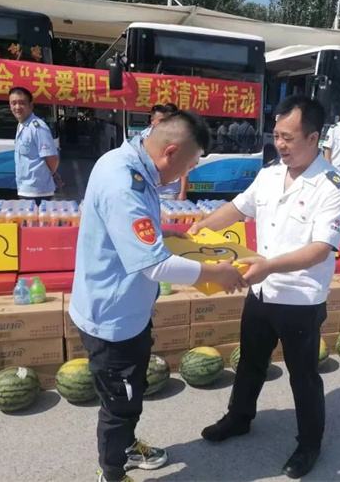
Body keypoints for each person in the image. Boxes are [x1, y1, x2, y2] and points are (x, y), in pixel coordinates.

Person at [69, 110, 247, 482]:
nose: (186, 175)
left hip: (126, 310)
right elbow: (154, 266)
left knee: (129, 394)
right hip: (113, 319)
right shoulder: (125, 184)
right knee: (119, 405)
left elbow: (129, 230)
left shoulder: (128, 163)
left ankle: (127, 446)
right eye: (189, 166)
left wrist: (166, 233)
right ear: (170, 152)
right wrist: (216, 273)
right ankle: (112, 474)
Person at [189, 95, 340, 479]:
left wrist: (270, 267)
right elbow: (239, 207)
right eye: (276, 135)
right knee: (250, 361)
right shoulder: (269, 174)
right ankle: (239, 418)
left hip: (300, 297)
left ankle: (309, 444)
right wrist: (202, 225)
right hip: (260, 290)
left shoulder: (332, 186)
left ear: (313, 138)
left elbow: (320, 249)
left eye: (288, 138)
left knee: (303, 374)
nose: (280, 144)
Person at [9, 87, 61, 204]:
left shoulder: (37, 127)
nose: (17, 107)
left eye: (22, 103)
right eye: (14, 103)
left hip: (38, 192)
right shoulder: (21, 125)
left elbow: (52, 158)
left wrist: (49, 174)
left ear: (31, 105)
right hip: (25, 189)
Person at [141, 104, 188, 201]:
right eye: (161, 121)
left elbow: (183, 166)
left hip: (170, 191)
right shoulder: (143, 137)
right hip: (150, 190)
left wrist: (183, 192)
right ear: (152, 120)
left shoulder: (178, 138)